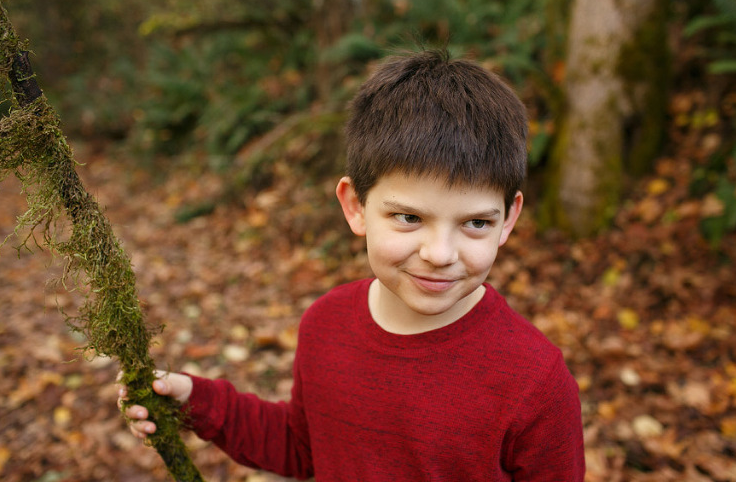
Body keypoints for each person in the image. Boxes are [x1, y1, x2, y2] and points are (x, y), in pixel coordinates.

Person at [119, 49, 585, 481]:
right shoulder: (325, 324)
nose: (440, 253)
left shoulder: (534, 382)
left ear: (509, 219)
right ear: (356, 206)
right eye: (409, 217)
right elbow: (305, 449)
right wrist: (194, 401)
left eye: (476, 223)